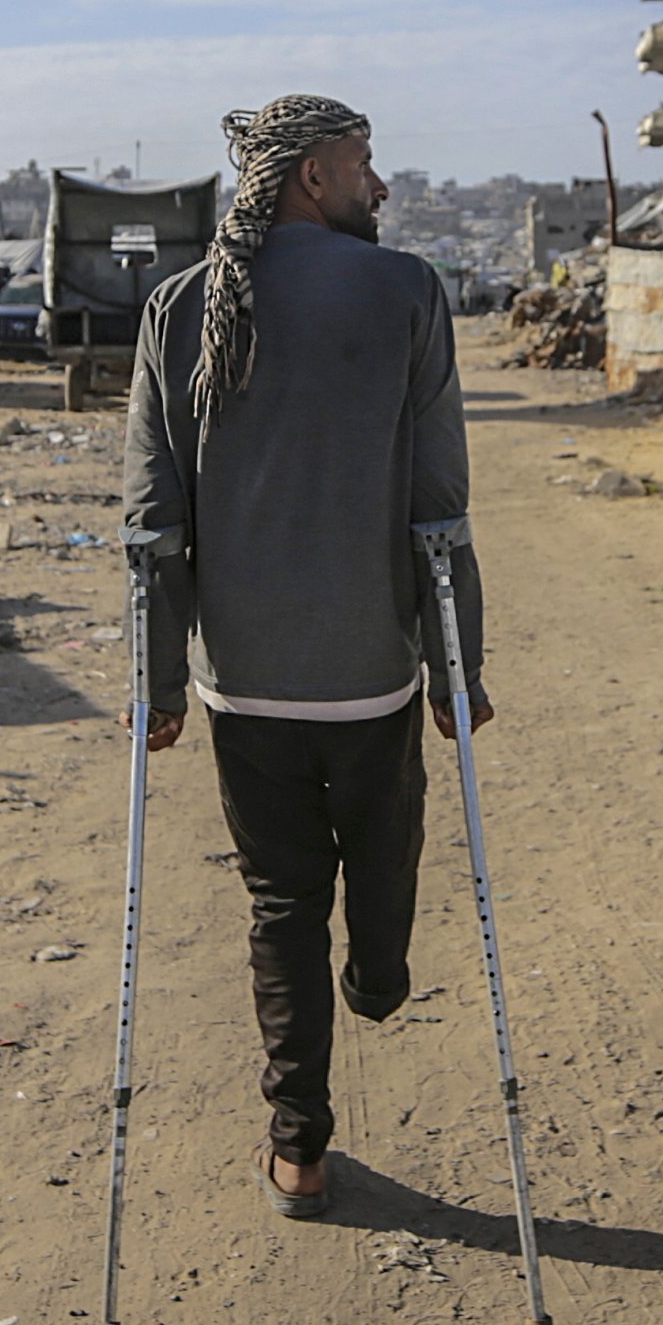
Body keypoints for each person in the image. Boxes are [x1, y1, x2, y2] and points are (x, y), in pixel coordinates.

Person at [125, 93, 488, 1220]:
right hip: (373, 673)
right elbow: (441, 509)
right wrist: (457, 663)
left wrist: (158, 685)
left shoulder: (176, 309)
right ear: (312, 180)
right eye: (365, 164)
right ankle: (378, 977)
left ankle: (300, 1151)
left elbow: (152, 523)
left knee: (281, 907)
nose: (381, 186)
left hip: (244, 685)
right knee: (382, 859)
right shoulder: (408, 292)